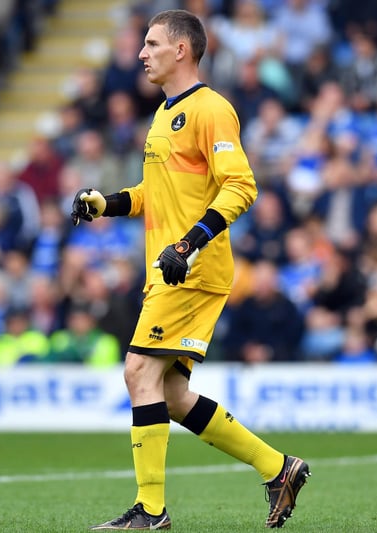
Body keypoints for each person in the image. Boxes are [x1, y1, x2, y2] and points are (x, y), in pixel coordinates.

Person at [70, 10, 309, 530]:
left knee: (137, 370)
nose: (141, 53)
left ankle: (150, 511)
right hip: (169, 267)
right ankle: (279, 468)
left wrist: (190, 244)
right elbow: (153, 197)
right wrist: (104, 204)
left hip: (191, 269)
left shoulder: (211, 109)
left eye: (152, 43)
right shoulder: (162, 115)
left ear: (182, 50)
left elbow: (242, 186)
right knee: (171, 396)